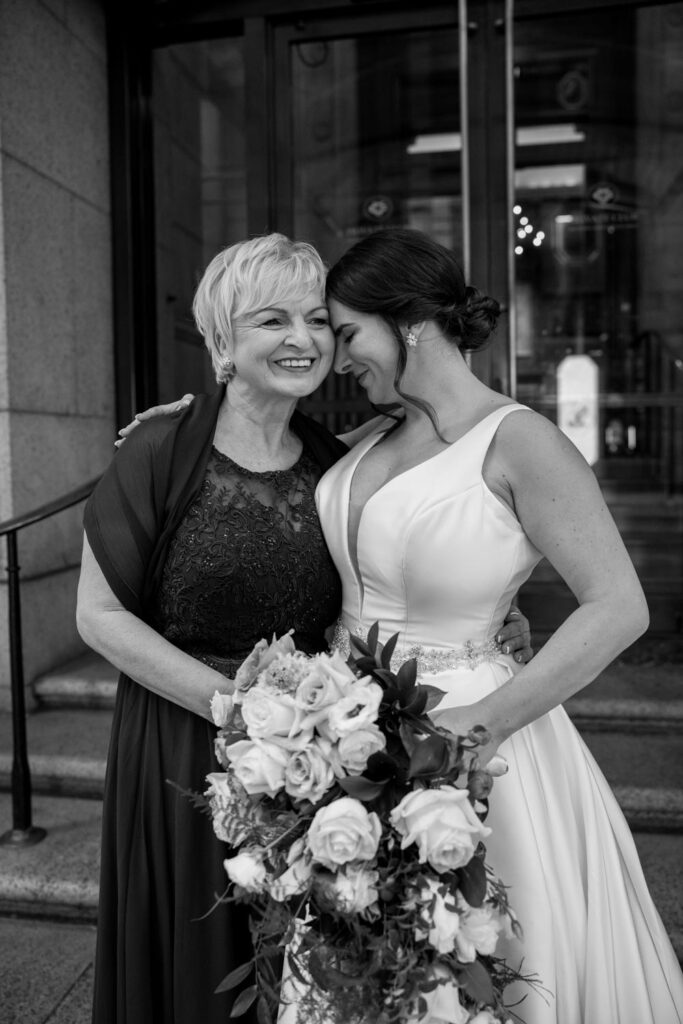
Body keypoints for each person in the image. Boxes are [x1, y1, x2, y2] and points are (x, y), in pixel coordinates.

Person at [138, 226, 683, 1023]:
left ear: (410, 323)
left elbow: (618, 606)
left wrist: (479, 722)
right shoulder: (371, 435)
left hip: (466, 734)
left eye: (346, 331)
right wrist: (180, 428)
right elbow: (257, 444)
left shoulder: (519, 439)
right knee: (357, 959)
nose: (336, 355)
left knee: (468, 957)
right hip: (343, 731)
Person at [78, 232, 531, 1024]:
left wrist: (501, 610)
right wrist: (238, 710)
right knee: (196, 960)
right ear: (222, 341)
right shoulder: (159, 448)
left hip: (312, 760)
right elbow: (100, 615)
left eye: (317, 319)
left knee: (303, 967)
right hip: (184, 740)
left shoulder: (337, 460)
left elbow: (409, 555)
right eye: (270, 320)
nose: (301, 339)